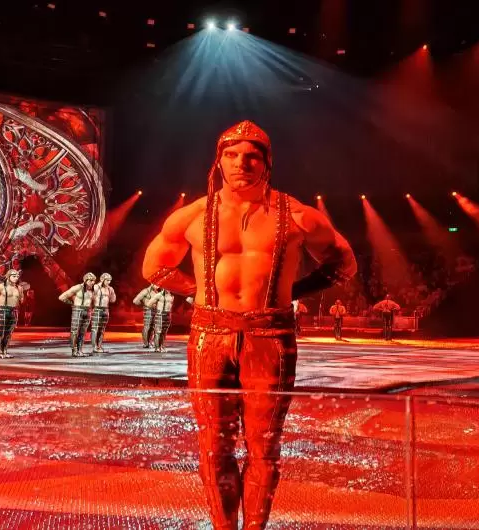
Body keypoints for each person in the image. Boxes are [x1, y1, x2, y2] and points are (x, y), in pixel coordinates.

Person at [142, 120, 356, 529]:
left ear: (266, 162)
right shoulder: (192, 215)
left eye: (252, 156)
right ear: (219, 161)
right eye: (232, 154)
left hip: (269, 334)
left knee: (264, 446)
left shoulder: (298, 215)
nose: (241, 163)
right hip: (210, 333)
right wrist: (199, 291)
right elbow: (153, 267)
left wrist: (294, 291)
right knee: (213, 445)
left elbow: (344, 263)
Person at [58, 272, 97, 357]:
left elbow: (94, 301)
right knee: (75, 331)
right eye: (91, 280)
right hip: (78, 310)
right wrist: (73, 304)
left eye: (94, 280)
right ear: (85, 280)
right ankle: (74, 351)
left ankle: (80, 350)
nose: (93, 282)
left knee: (83, 332)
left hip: (88, 311)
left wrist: (92, 308)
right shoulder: (78, 287)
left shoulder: (93, 290)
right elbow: (62, 297)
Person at [90, 273, 116, 353]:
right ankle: (94, 347)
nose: (109, 282)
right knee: (95, 329)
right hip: (97, 309)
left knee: (102, 329)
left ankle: (99, 346)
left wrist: (112, 292)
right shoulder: (96, 287)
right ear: (102, 279)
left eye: (110, 280)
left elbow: (113, 300)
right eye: (107, 280)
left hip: (105, 310)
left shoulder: (109, 289)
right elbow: (89, 297)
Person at [146, 286, 174, 352]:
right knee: (158, 332)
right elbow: (149, 304)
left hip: (168, 315)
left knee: (164, 332)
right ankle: (157, 348)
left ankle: (161, 346)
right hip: (160, 315)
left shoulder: (172, 296)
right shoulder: (158, 295)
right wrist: (156, 308)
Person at [133, 284, 161, 349]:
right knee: (147, 326)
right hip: (148, 310)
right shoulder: (145, 291)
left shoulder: (157, 292)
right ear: (152, 283)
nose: (158, 286)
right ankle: (146, 343)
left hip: (155, 310)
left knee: (153, 327)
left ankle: (150, 342)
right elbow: (135, 301)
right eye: (157, 284)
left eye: (159, 285)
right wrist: (145, 304)